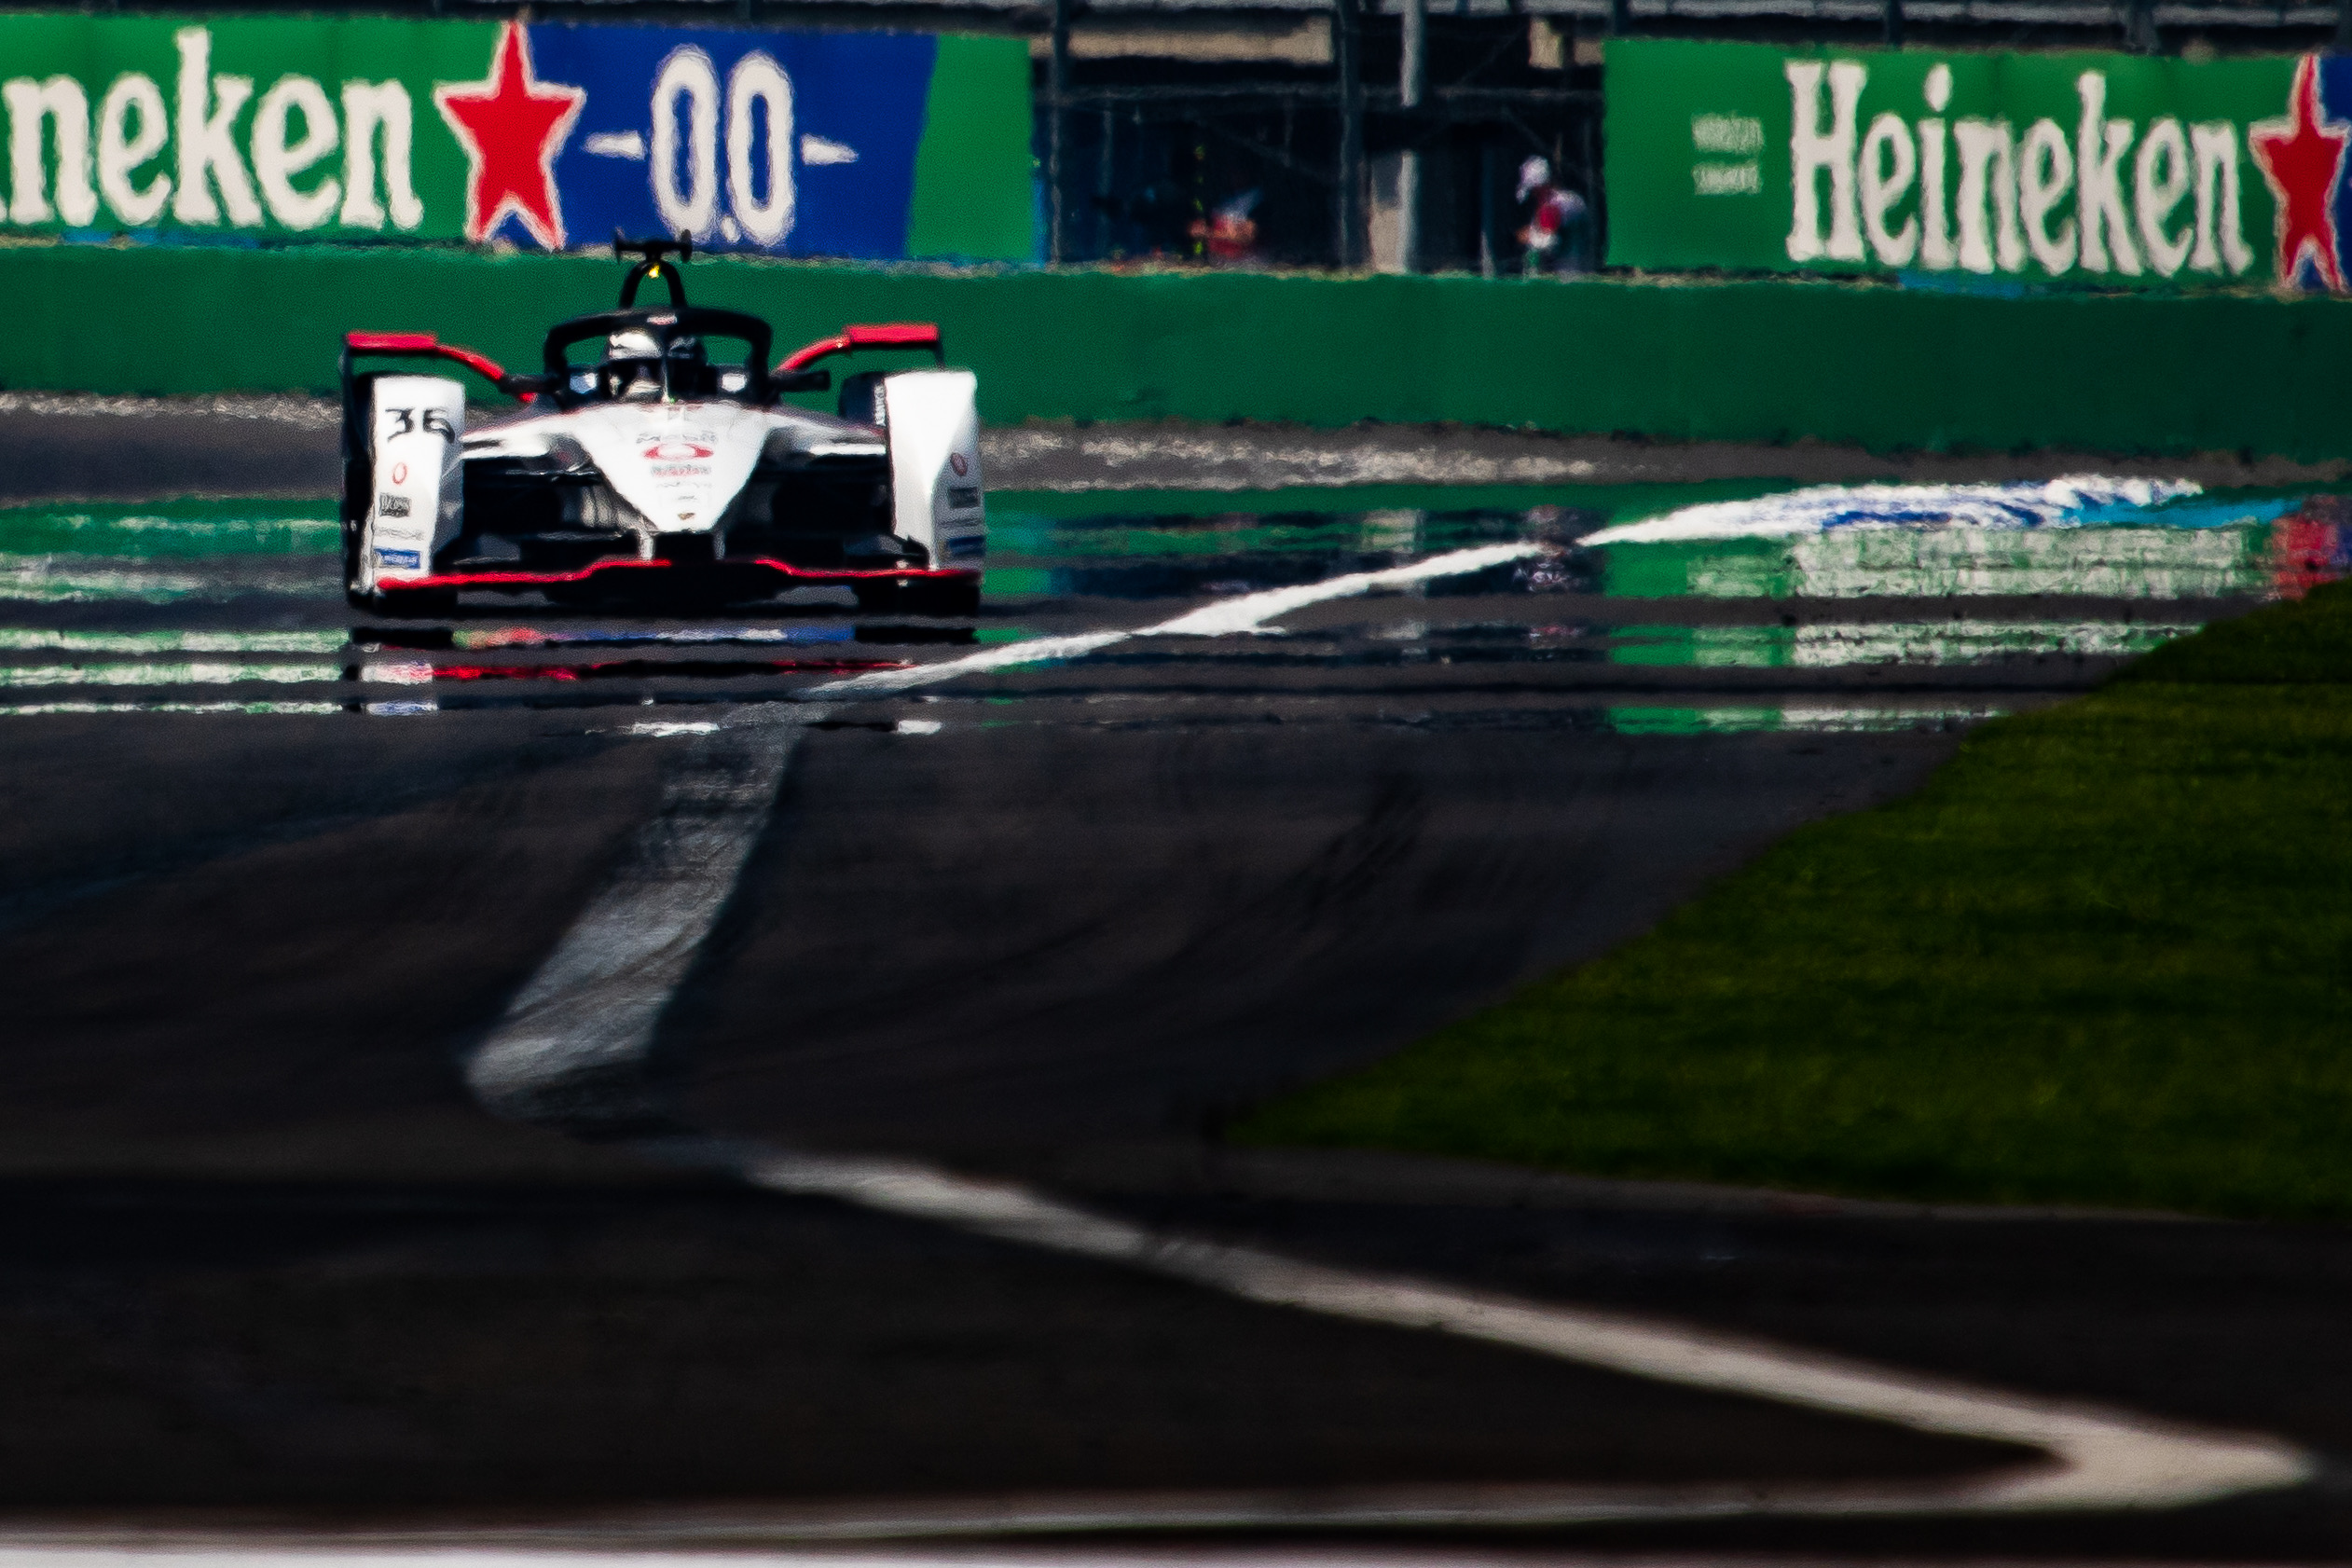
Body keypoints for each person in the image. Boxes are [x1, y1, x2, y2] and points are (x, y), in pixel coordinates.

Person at [1516, 157, 1592, 277]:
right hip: (1567, 274)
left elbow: (1550, 242)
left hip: (1569, 276)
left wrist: (1529, 236)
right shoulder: (1566, 201)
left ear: (1539, 187)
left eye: (1533, 191)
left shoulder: (1563, 204)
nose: (1534, 196)